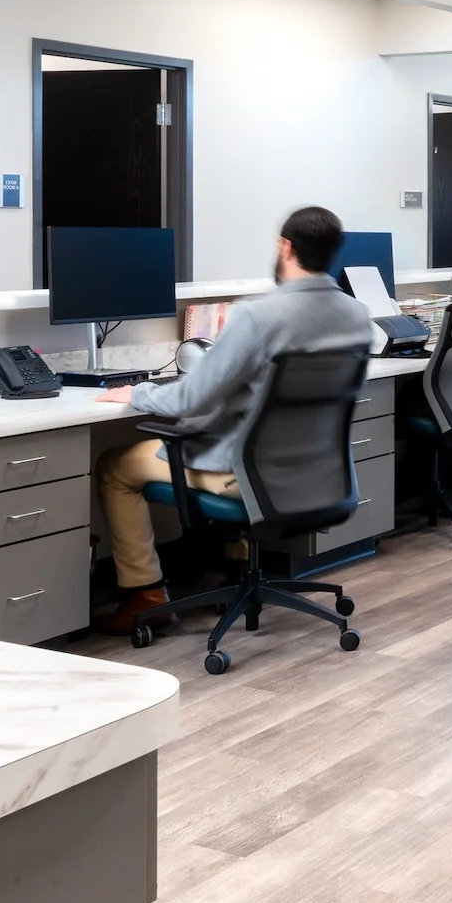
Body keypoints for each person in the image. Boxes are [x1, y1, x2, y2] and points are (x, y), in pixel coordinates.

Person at [90, 206, 371, 635]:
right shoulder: (357, 315)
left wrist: (136, 392)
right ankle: (239, 569)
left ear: (285, 247)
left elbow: (190, 396)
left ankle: (146, 595)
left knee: (115, 465)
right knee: (236, 430)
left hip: (248, 475)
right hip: (315, 472)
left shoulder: (259, 316)